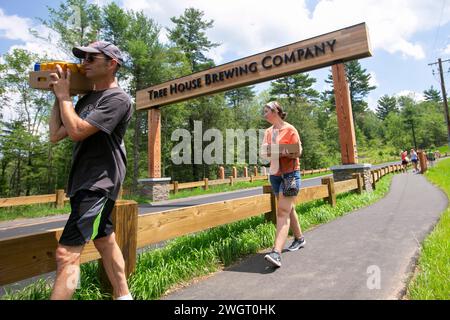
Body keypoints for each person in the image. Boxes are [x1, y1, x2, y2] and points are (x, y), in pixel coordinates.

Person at [48, 41, 133, 300]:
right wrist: (59, 96)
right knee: (104, 240)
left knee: (66, 254)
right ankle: (124, 296)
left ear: (111, 64)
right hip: (83, 181)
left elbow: (77, 131)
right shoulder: (87, 99)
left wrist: (65, 98)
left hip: (98, 183)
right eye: (82, 58)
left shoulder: (118, 99)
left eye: (91, 58)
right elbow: (55, 134)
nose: (84, 62)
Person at [260, 101, 305, 268]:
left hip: (290, 174)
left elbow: (297, 151)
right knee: (289, 208)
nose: (264, 114)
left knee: (282, 212)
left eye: (266, 111)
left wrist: (276, 151)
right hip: (274, 175)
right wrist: (282, 151)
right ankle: (299, 238)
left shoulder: (290, 129)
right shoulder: (267, 132)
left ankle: (276, 253)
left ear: (276, 111)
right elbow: (264, 153)